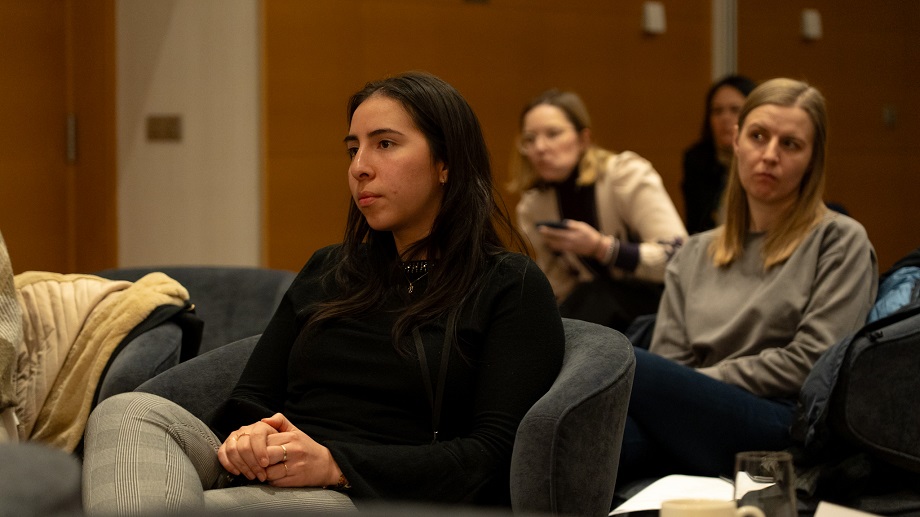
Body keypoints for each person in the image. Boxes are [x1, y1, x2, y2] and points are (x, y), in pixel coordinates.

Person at [82, 72, 565, 513]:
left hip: (356, 494)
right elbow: (251, 395)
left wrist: (336, 465)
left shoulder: (509, 284)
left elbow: (493, 455)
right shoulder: (331, 267)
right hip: (272, 468)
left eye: (385, 144)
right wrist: (253, 437)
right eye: (353, 148)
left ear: (446, 163)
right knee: (129, 411)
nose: (360, 167)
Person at [616, 78, 878, 485]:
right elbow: (670, 359)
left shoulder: (840, 240)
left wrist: (693, 384)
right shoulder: (695, 252)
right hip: (689, 413)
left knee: (615, 359)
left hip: (780, 421)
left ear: (813, 158)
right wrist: (682, 388)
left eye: (790, 144)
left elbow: (812, 362)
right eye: (758, 136)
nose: (769, 155)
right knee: (580, 443)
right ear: (737, 141)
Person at [508, 89, 687, 332]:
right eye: (529, 139)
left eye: (553, 134)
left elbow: (678, 258)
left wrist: (601, 248)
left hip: (662, 302)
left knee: (595, 297)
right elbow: (558, 286)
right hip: (595, 314)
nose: (539, 147)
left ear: (583, 140)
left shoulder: (625, 174)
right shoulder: (534, 206)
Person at [682, 75, 758, 234]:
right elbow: (695, 227)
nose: (725, 118)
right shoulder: (696, 160)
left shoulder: (763, 159)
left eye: (735, 110)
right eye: (717, 111)